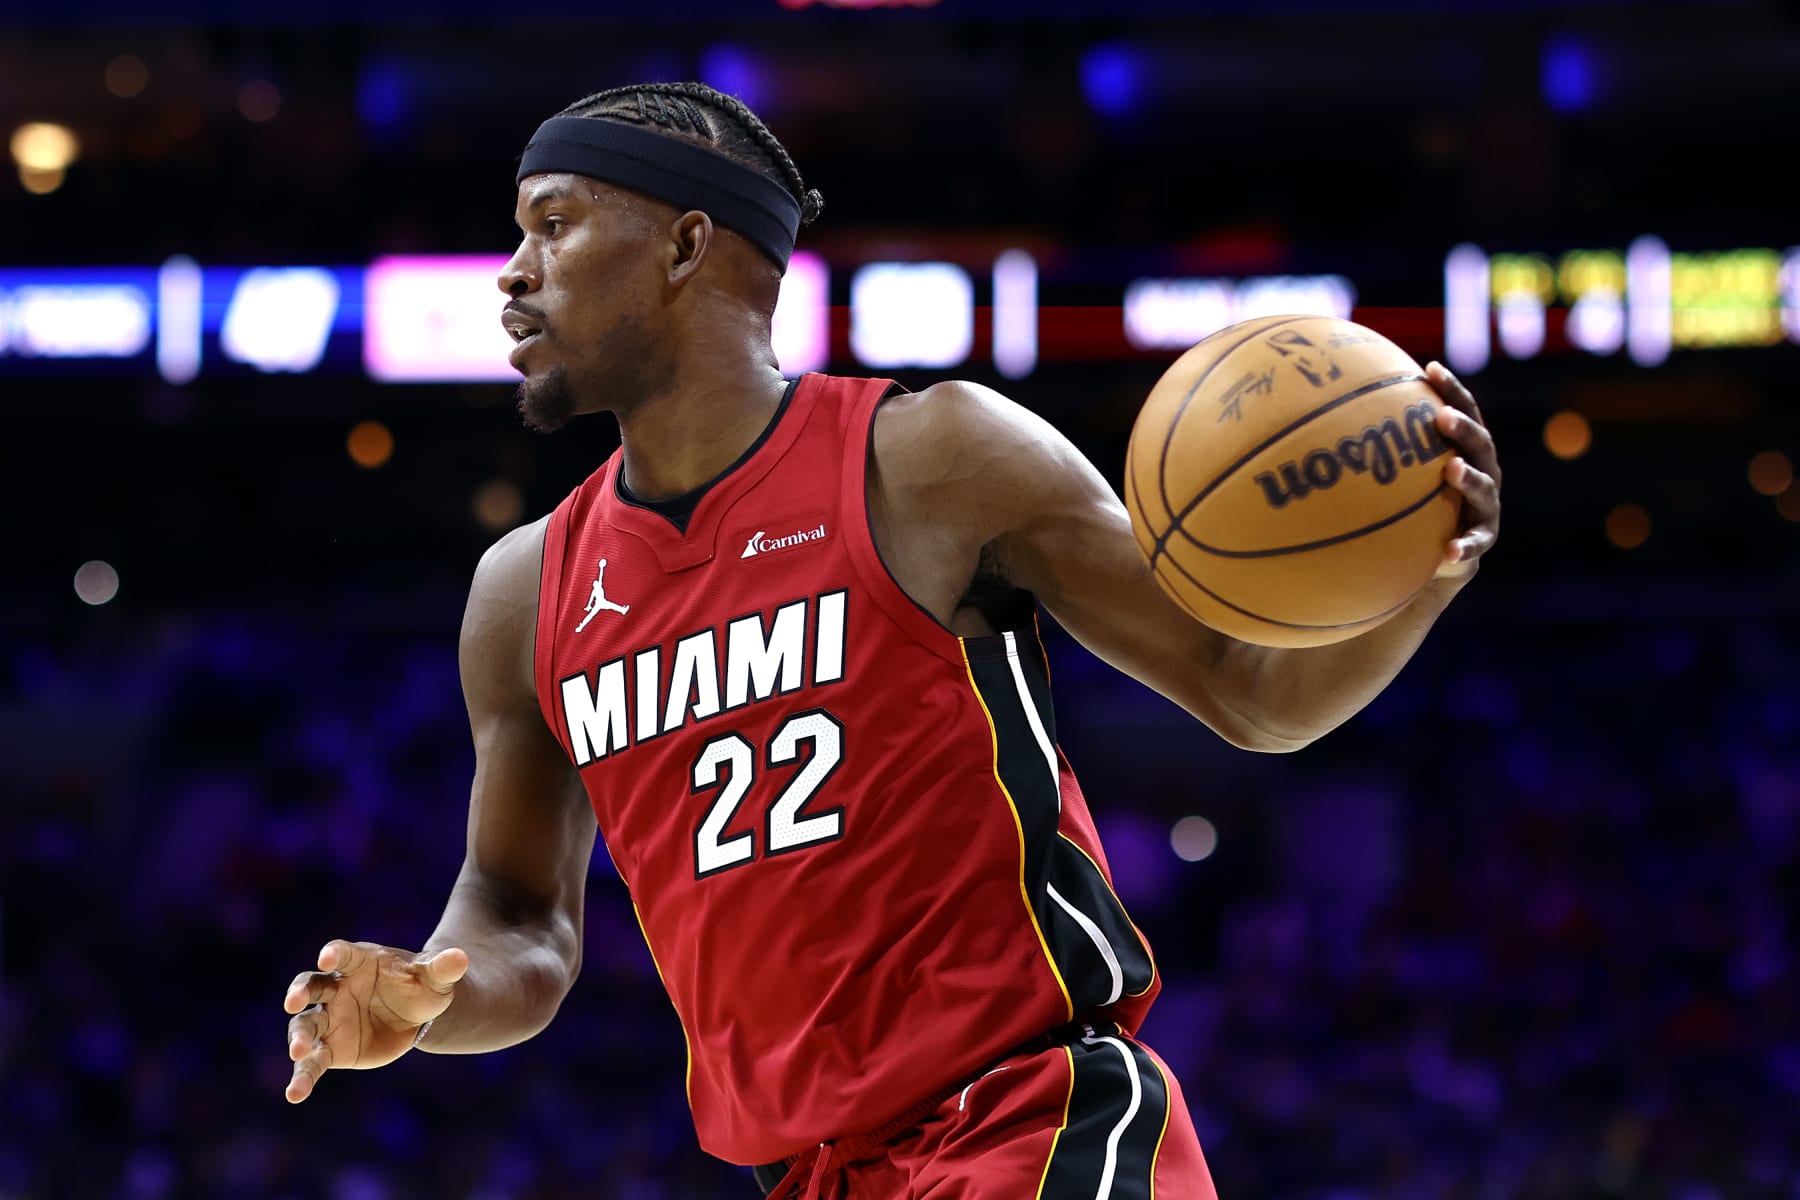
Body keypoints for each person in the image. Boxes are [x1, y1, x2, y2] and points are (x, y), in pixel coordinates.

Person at [280, 81, 1502, 1199]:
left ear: (687, 246)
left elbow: (1254, 692)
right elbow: (518, 918)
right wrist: (430, 1000)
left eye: (552, 225)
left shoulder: (934, 461)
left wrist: (1426, 567)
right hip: (810, 1177)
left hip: (1032, 1126)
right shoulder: (525, 589)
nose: (513, 270)